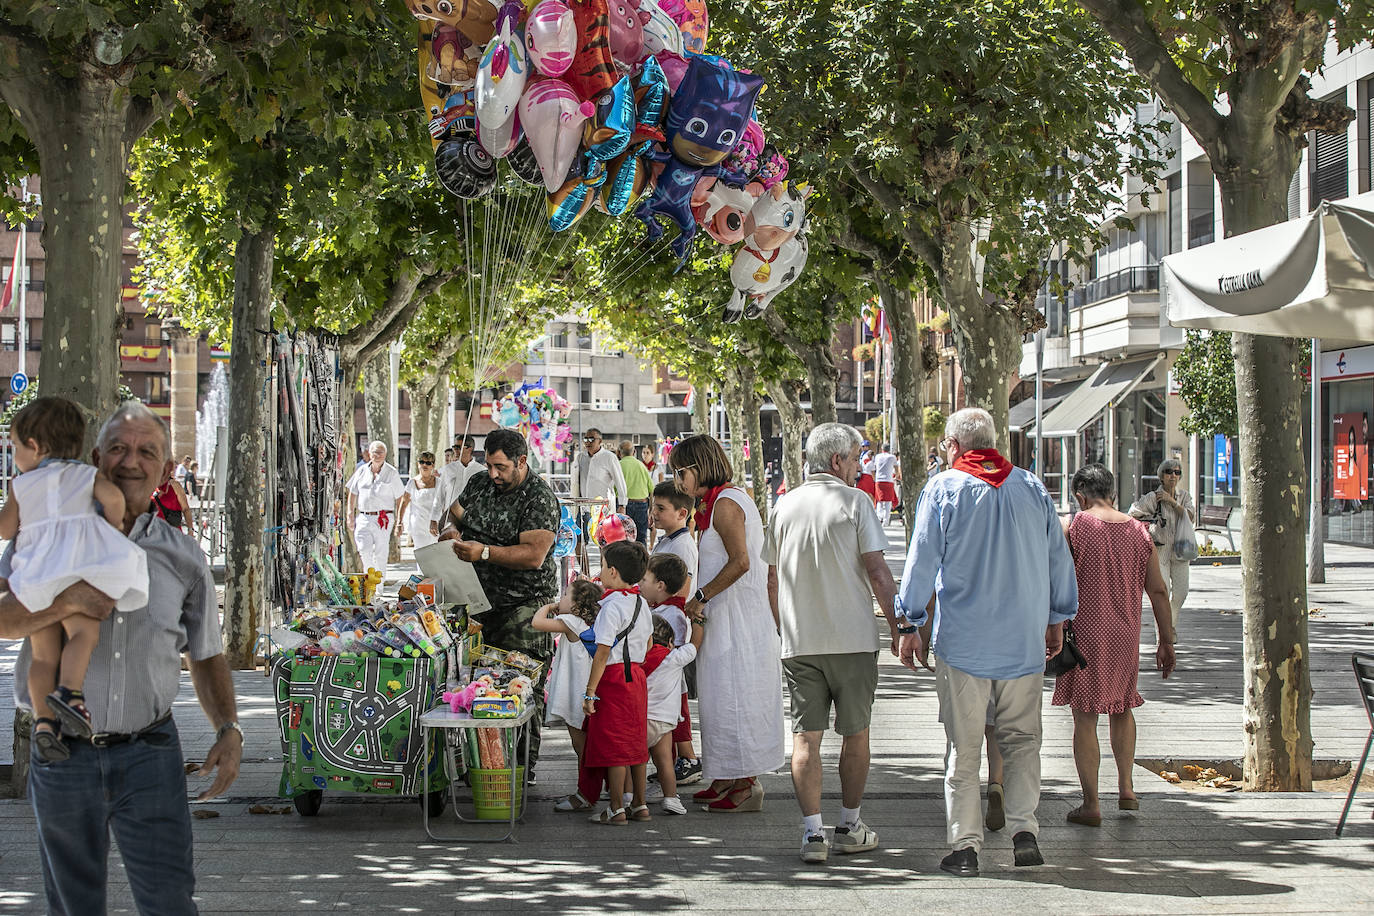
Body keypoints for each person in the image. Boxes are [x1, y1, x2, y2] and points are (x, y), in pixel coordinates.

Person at [0, 400, 242, 915]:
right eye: (118, 449)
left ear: (166, 470)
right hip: (62, 755)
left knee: (170, 902)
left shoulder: (184, 557)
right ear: (94, 457)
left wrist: (229, 727)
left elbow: (205, 654)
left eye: (146, 451)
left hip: (149, 754)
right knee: (74, 905)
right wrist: (68, 602)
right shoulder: (43, 531)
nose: (131, 461)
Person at [896, 407, 1077, 877]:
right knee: (1023, 741)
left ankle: (965, 845)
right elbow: (1060, 558)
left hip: (965, 644)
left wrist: (909, 623)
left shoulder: (944, 489)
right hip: (1022, 643)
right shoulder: (1032, 487)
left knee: (965, 746)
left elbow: (921, 564)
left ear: (955, 446)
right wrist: (1057, 618)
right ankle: (1024, 832)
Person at [763, 422, 898, 863]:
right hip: (854, 640)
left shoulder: (783, 506)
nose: (859, 467)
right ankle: (850, 824)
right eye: (857, 458)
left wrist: (784, 627)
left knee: (806, 740)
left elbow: (770, 578)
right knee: (856, 735)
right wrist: (899, 626)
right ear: (838, 461)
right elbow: (878, 571)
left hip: (801, 641)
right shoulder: (856, 502)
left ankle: (812, 835)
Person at [0, 397, 150, 761]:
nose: (15, 453)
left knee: (42, 656)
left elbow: (5, 529)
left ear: (34, 446)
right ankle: (71, 693)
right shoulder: (85, 475)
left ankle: (44, 722)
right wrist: (110, 523)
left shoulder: (23, 485)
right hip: (80, 573)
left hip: (36, 576)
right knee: (83, 634)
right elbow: (113, 500)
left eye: (15, 446)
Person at [1055, 464, 1176, 827]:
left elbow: (1058, 582)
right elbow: (1157, 590)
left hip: (1084, 634)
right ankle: (1126, 788)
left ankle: (1091, 802)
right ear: (1113, 493)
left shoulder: (1075, 527)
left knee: (1085, 717)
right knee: (1123, 707)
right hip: (1126, 634)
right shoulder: (1139, 532)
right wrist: (1166, 640)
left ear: (1080, 496)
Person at [439, 427, 560, 778]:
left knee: (521, 686)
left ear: (521, 461)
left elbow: (534, 555)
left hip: (523, 607)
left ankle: (521, 769)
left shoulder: (538, 497)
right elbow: (455, 513)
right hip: (476, 603)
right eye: (489, 465)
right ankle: (483, 765)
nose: (494, 474)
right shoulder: (479, 483)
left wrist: (485, 552)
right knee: (479, 685)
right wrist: (451, 531)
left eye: (501, 467)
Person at [673, 434, 785, 813]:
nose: (678, 481)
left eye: (681, 472)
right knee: (720, 696)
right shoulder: (717, 503)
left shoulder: (725, 504)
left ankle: (745, 783)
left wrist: (700, 596)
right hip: (726, 616)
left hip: (738, 619)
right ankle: (726, 774)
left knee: (735, 695)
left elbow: (741, 562)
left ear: (699, 468)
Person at [578, 540, 653, 825]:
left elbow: (603, 651)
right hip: (637, 677)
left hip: (613, 679)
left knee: (615, 746)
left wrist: (590, 693)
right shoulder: (641, 603)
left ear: (612, 571)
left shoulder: (610, 607)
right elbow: (647, 645)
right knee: (635, 743)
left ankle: (617, 807)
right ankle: (641, 805)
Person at [534, 578, 604, 813]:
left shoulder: (571, 622)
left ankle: (585, 793)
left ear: (576, 605)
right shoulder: (587, 624)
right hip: (587, 693)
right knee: (588, 746)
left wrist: (549, 606)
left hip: (577, 695)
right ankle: (591, 790)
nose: (560, 598)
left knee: (581, 748)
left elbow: (538, 622)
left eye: (565, 595)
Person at [642, 551, 700, 785]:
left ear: (660, 585)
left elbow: (674, 649)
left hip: (670, 682)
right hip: (663, 682)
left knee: (678, 723)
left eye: (644, 580)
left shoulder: (673, 613)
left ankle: (687, 761)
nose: (640, 583)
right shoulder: (662, 607)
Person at [643, 615, 704, 816]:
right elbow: (695, 645)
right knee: (665, 762)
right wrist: (698, 621)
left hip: (639, 721)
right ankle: (671, 798)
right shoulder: (673, 658)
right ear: (670, 642)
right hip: (664, 722)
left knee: (635, 762)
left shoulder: (636, 658)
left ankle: (631, 797)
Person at [1128, 457, 1195, 634]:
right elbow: (1133, 514)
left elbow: (1190, 516)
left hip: (1182, 550)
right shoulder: (1153, 498)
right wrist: (1148, 528)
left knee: (1181, 593)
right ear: (1161, 476)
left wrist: (1172, 502)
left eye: (1177, 472)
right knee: (1162, 593)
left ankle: (1169, 625)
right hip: (1160, 551)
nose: (1173, 475)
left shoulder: (1184, 496)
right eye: (1169, 472)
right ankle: (1164, 636)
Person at [346, 440, 405, 578]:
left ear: (385, 454)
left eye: (380, 452)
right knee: (363, 549)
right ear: (369, 453)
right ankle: (369, 580)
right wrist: (350, 513)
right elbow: (353, 493)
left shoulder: (392, 473)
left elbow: (400, 498)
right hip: (363, 516)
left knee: (380, 552)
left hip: (383, 518)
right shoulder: (361, 471)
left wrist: (399, 520)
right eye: (375, 452)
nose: (377, 455)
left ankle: (378, 586)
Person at [573, 428, 627, 569]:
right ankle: (585, 573)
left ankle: (604, 573)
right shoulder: (581, 457)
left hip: (603, 508)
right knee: (577, 541)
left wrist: (622, 504)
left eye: (592, 439)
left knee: (603, 543)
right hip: (583, 506)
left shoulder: (609, 457)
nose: (588, 442)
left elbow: (620, 481)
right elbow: (576, 481)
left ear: (600, 441)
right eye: (586, 439)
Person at [430, 435, 484, 537]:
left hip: (474, 524)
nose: (455, 450)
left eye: (458, 447)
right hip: (450, 521)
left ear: (470, 448)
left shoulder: (481, 471)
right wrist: (433, 519)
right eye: (454, 447)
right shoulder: (447, 469)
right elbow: (439, 496)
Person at [398, 451, 441, 550]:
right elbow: (404, 503)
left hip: (435, 526)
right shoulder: (412, 483)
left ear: (433, 465)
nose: (424, 465)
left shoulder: (439, 483)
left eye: (428, 463)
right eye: (422, 462)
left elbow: (443, 505)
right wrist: (399, 523)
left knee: (434, 557)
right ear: (418, 464)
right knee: (421, 556)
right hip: (418, 526)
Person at [619, 440, 653, 546]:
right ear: (634, 452)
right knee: (641, 538)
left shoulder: (618, 466)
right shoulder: (641, 466)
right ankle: (642, 561)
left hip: (624, 505)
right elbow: (651, 490)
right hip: (642, 505)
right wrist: (651, 510)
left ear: (619, 453)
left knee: (624, 539)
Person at [873, 443, 899, 525]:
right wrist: (896, 476)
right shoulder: (892, 457)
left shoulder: (877, 457)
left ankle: (879, 518)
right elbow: (896, 469)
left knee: (879, 500)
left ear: (882, 449)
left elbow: (874, 468)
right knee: (888, 501)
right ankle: (886, 521)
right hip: (889, 480)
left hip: (879, 480)